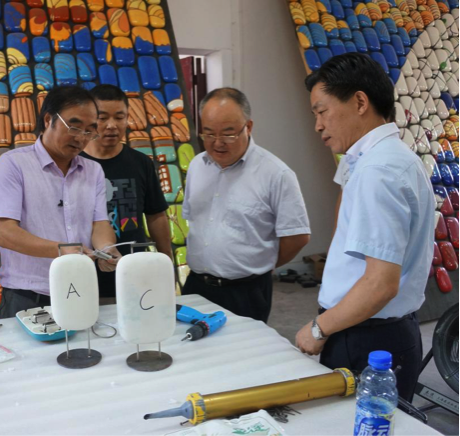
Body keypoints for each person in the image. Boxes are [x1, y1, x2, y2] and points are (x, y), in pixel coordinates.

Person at [295, 53, 435, 401]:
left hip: (369, 337)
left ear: (360, 101)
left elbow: (380, 284)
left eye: (321, 111)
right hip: (377, 330)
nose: (317, 125)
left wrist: (318, 328)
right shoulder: (382, 159)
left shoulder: (379, 170)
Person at [0, 86, 120, 319]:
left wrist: (107, 249)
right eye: (75, 126)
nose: (81, 138)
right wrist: (63, 250)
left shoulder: (94, 171)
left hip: (81, 290)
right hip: (27, 296)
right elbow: (5, 234)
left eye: (90, 131)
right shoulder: (13, 164)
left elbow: (99, 223)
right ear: (49, 120)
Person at [182, 88, 311, 323]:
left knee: (243, 356)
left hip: (245, 292)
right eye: (208, 134)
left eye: (228, 134)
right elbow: (193, 220)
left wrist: (264, 263)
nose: (217, 143)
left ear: (248, 127)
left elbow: (297, 236)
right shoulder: (196, 166)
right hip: (197, 286)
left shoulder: (276, 174)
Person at [81, 85, 172, 301]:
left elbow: (156, 214)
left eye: (119, 117)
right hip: (86, 275)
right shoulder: (75, 164)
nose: (112, 126)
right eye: (103, 118)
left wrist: (166, 259)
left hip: (134, 272)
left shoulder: (141, 163)